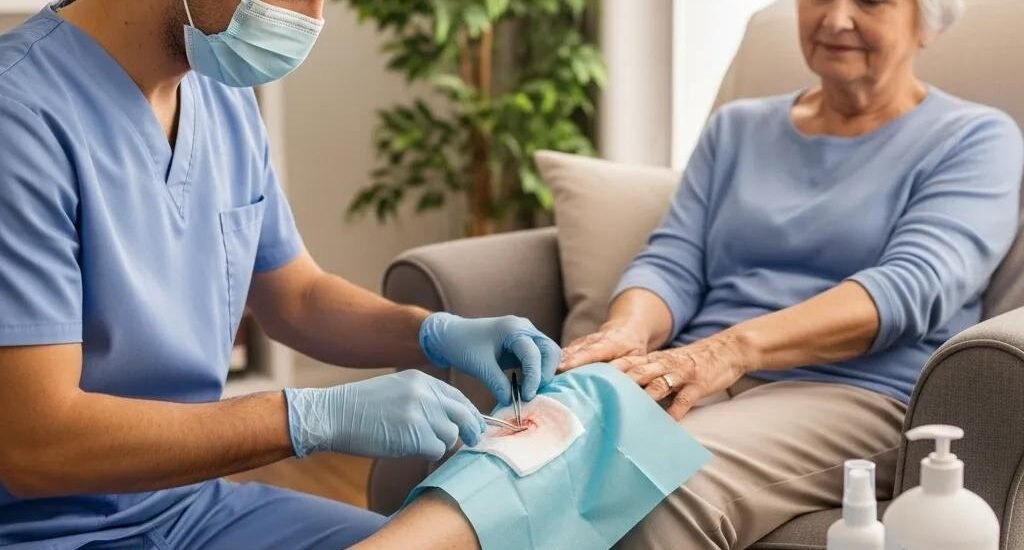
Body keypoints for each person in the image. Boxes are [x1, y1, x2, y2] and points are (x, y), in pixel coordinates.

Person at [0, 1, 560, 548]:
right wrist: (307, 417)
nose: (312, 19)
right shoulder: (18, 118)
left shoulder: (223, 99)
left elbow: (296, 297)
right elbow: (38, 448)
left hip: (189, 508)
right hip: (43, 529)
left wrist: (434, 332)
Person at [555, 0, 1024, 548]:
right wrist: (626, 332)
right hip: (698, 371)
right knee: (532, 449)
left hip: (853, 389)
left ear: (926, 22)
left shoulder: (975, 138)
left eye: (870, 2)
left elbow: (910, 287)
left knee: (654, 480)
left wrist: (727, 352)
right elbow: (673, 261)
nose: (836, 18)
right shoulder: (737, 128)